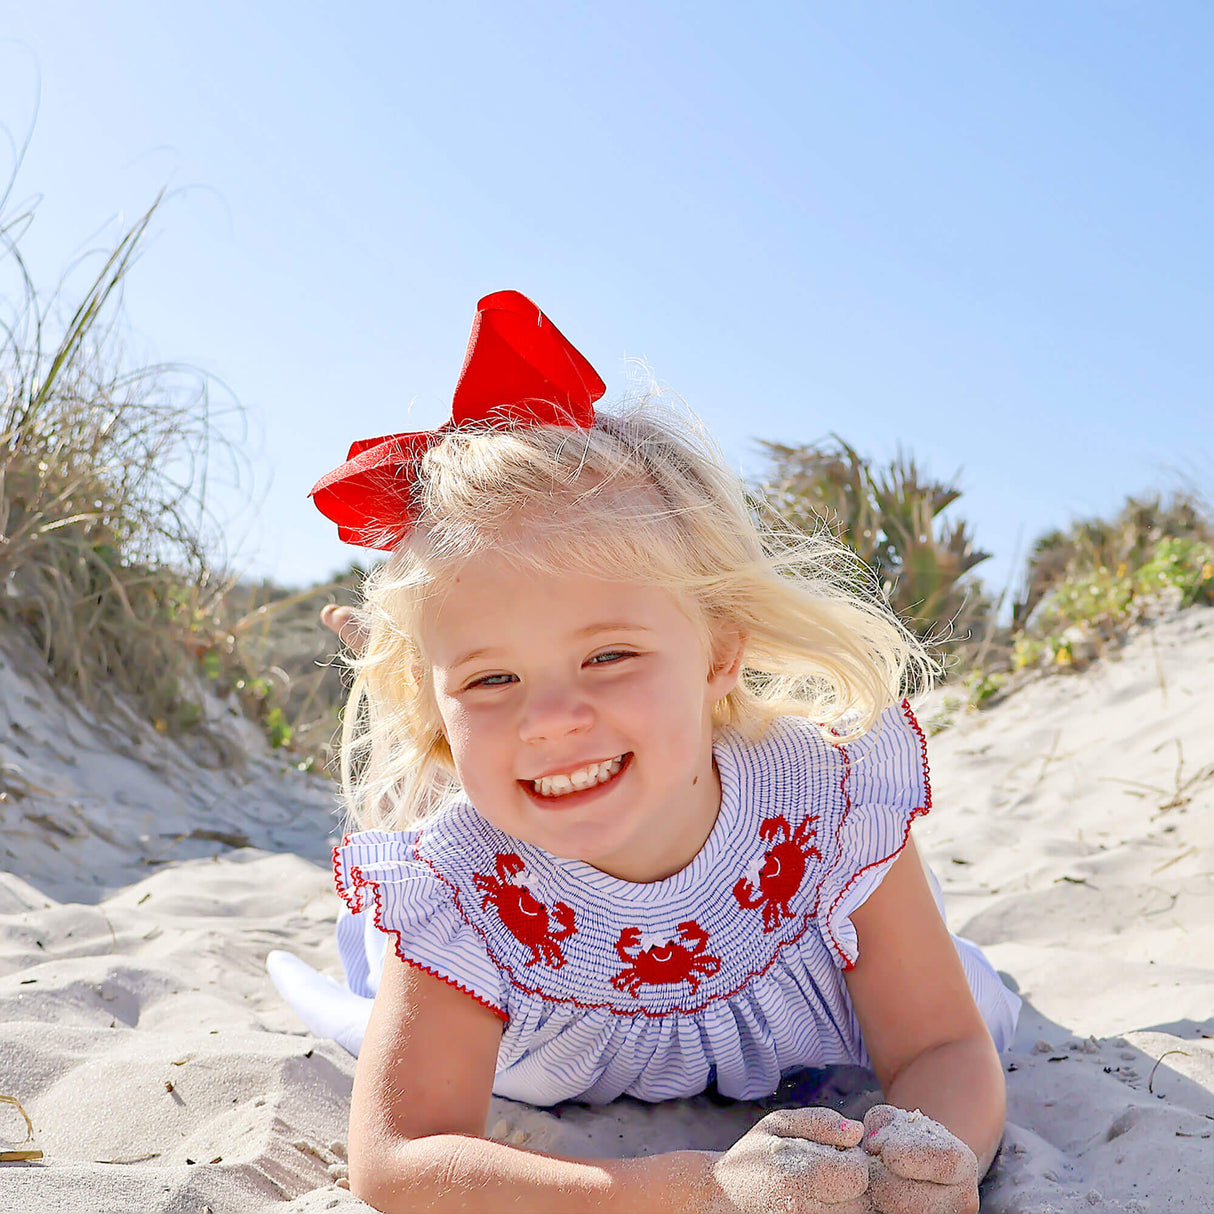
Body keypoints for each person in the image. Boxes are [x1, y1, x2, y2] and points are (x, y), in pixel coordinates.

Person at [279, 291, 1020, 1213]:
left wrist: (929, 1158)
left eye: (610, 656)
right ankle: (403, 666)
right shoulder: (464, 892)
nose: (552, 718)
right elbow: (400, 1158)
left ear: (719, 652)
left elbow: (942, 1049)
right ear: (440, 717)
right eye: (489, 680)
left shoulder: (826, 807)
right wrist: (697, 1190)